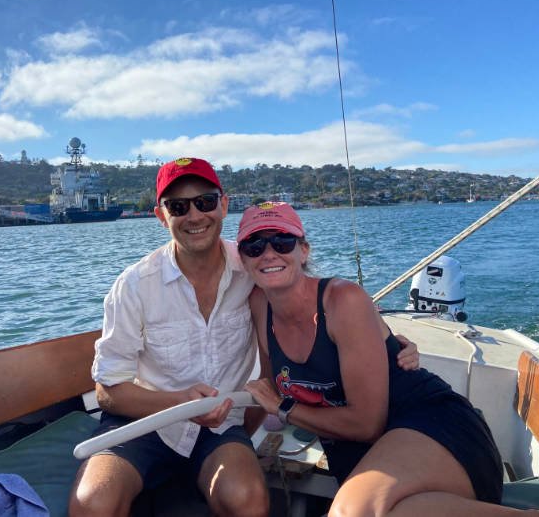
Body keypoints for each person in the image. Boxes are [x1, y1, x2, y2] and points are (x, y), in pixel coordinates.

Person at [68, 158, 420, 517]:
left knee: (248, 499)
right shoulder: (134, 286)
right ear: (161, 216)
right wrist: (177, 403)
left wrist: (391, 340)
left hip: (220, 428)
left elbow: (315, 298)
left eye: (205, 201)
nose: (194, 215)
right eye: (178, 206)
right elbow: (107, 391)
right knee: (92, 502)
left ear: (223, 205)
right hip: (146, 425)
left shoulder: (254, 265)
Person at [240, 201, 539, 517]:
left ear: (304, 251)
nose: (268, 253)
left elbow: (366, 423)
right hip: (365, 455)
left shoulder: (342, 300)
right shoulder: (259, 304)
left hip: (438, 429)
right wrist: (236, 441)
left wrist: (285, 409)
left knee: (352, 512)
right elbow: (270, 387)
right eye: (254, 245)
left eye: (282, 241)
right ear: (242, 258)